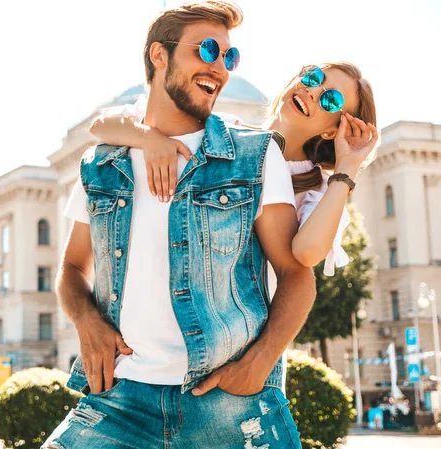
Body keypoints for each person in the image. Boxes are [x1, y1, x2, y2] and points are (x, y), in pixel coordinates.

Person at [44, 2, 315, 448]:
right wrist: (86, 322)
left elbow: (296, 273)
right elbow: (72, 268)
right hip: (119, 399)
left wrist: (260, 364)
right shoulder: (101, 164)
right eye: (207, 50)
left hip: (230, 402)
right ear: (159, 55)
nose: (220, 68)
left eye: (229, 57)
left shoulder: (254, 154)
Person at [90, 61, 379, 278]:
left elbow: (306, 253)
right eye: (313, 77)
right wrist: (149, 138)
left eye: (331, 99)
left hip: (247, 337)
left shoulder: (319, 189)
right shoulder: (224, 130)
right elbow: (101, 125)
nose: (313, 91)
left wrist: (348, 168)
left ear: (333, 131)